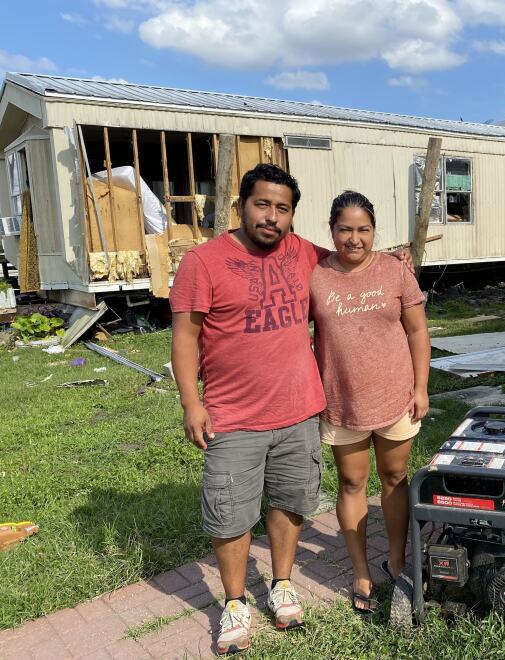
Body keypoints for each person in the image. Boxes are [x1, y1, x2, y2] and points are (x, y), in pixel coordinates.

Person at [170, 164, 327, 655]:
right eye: (263, 204)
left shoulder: (303, 252)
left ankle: (281, 583)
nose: (272, 217)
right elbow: (185, 336)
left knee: (289, 503)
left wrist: (395, 257)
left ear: (292, 216)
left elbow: (351, 260)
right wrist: (191, 404)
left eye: (282, 209)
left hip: (299, 410)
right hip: (233, 416)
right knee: (231, 516)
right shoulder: (204, 262)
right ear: (241, 206)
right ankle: (235, 602)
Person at [309, 190, 430, 614]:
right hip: (342, 401)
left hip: (396, 396)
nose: (355, 239)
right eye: (346, 229)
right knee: (352, 484)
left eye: (364, 229)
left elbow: (417, 331)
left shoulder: (395, 271)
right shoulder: (315, 275)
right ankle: (361, 571)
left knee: (395, 478)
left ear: (374, 231)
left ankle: (397, 559)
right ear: (332, 230)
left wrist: (421, 388)